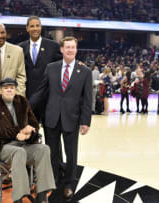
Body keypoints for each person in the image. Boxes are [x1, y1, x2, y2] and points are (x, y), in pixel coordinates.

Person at [30, 36, 92, 201]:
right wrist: (26, 106)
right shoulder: (51, 68)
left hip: (72, 118)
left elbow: (87, 99)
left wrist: (86, 121)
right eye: (67, 47)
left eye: (73, 47)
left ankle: (69, 184)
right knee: (52, 153)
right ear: (62, 50)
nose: (70, 50)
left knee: (71, 154)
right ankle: (53, 180)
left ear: (76, 50)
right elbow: (41, 91)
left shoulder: (85, 71)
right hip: (51, 117)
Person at [0, 77, 55, 203]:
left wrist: (29, 135)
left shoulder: (22, 101)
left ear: (16, 90)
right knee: (19, 152)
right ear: (0, 91)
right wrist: (19, 132)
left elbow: (34, 124)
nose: (9, 90)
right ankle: (19, 197)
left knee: (44, 149)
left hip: (24, 144)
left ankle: (42, 194)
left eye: (12, 88)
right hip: (5, 147)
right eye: (6, 88)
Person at [18, 16, 62, 122]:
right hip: (28, 98)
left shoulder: (53, 46)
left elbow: (63, 63)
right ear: (27, 28)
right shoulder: (20, 48)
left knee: (50, 135)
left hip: (48, 98)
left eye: (37, 26)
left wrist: (77, 63)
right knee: (30, 134)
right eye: (32, 26)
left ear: (41, 28)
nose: (35, 28)